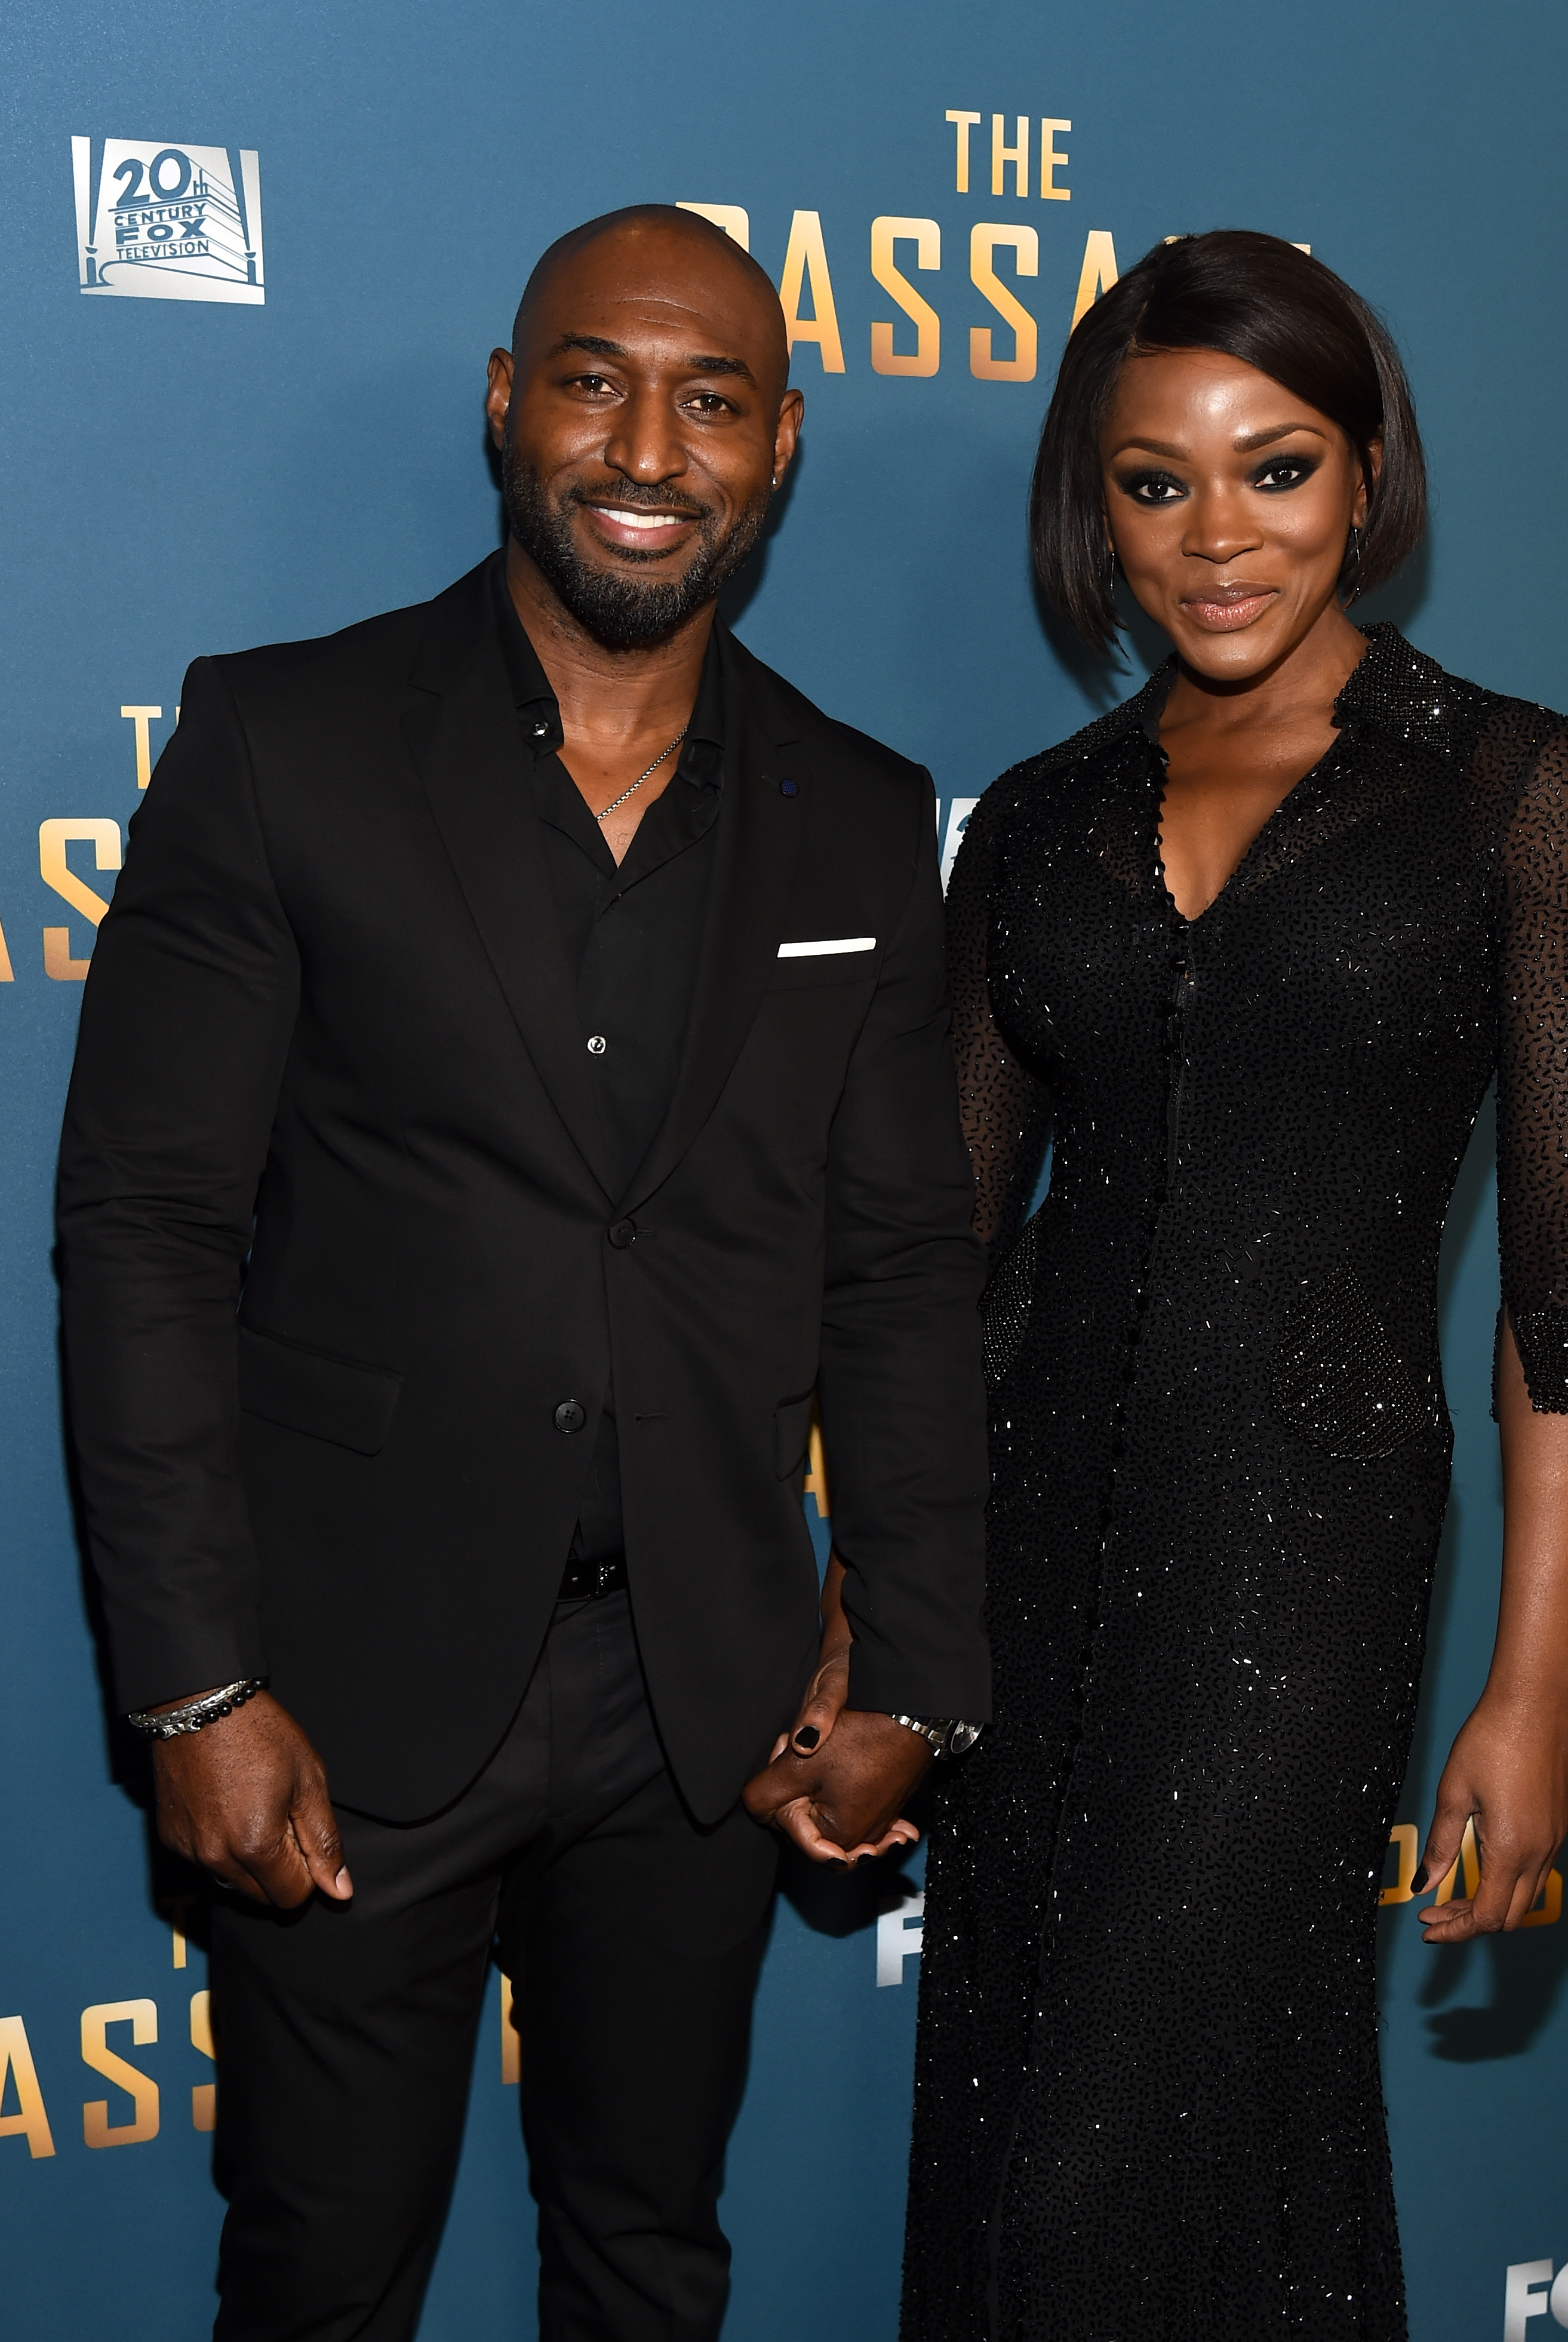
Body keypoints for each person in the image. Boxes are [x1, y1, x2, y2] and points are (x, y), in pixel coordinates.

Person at [57, 204, 990, 2342]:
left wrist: (917, 1652)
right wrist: (195, 1681)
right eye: (593, 378)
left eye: (712, 396)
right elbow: (147, 1233)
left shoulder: (858, 814)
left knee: (650, 2258)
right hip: (346, 1695)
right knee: (322, 2270)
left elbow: (900, 1268)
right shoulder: (280, 744)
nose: (645, 442)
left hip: (706, 1698)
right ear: (508, 401)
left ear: (779, 444)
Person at [900, 230, 1568, 2340]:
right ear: (1094, 504)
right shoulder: (1039, 826)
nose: (1216, 538)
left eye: (1276, 467)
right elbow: (940, 1268)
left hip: (1302, 1559)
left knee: (1107, 2181)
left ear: (1367, 469)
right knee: (1020, 2148)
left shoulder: (1516, 794)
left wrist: (1534, 1683)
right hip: (1025, 1562)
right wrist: (880, 1604)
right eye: (1155, 484)